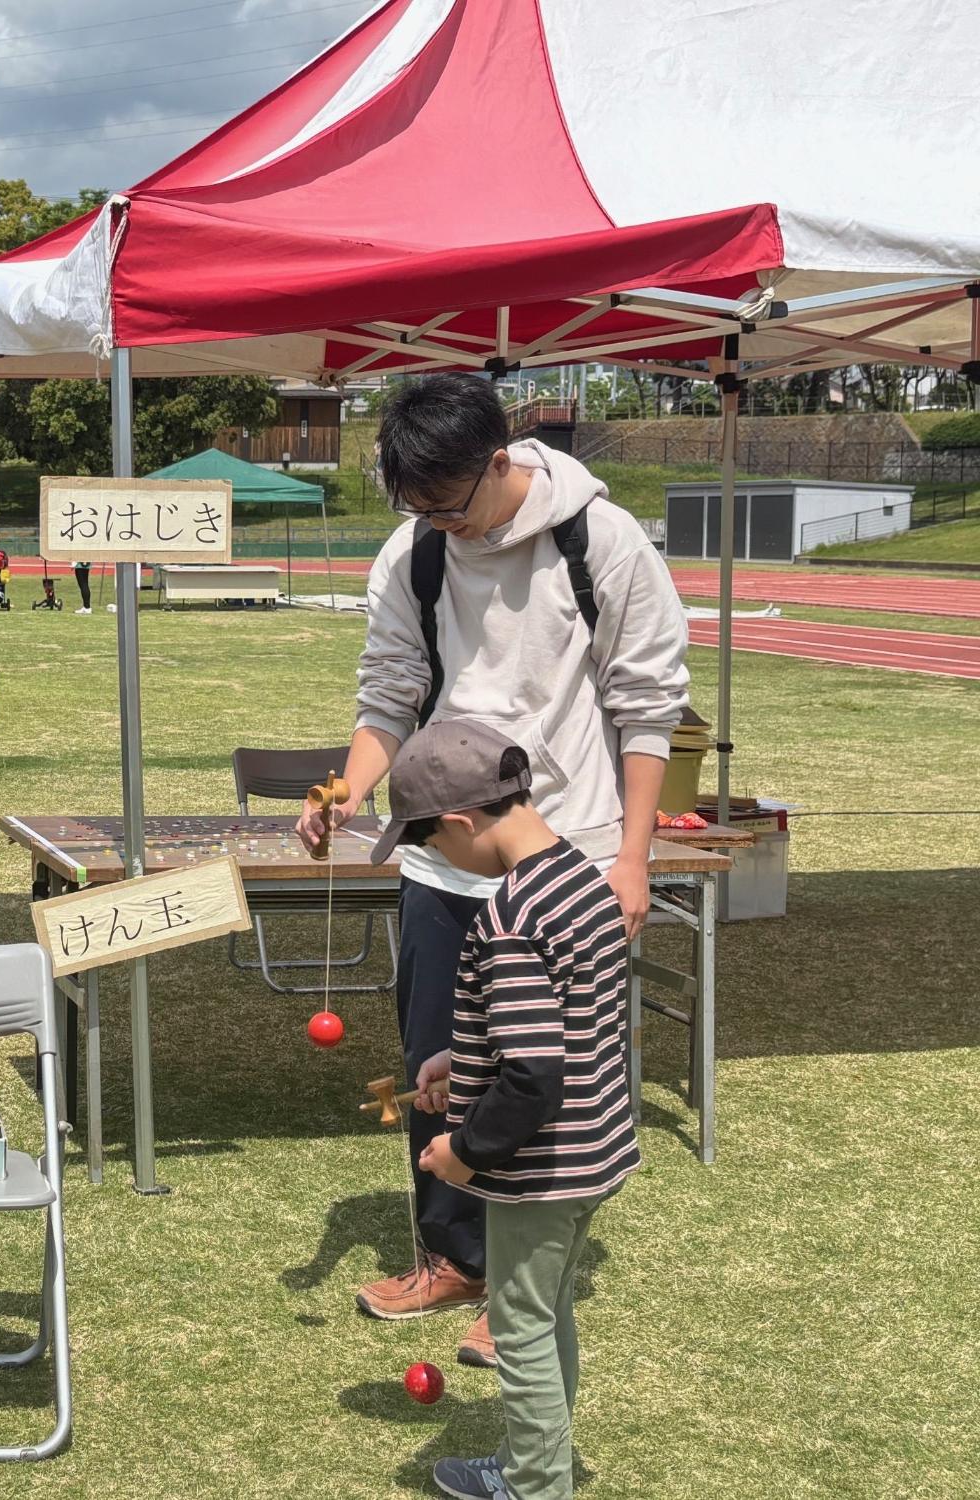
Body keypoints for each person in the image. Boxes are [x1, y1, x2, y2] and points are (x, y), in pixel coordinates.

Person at [297, 374, 684, 1369]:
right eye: (415, 507)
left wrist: (632, 858)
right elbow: (387, 694)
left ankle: (522, 1283)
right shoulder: (414, 551)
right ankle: (454, 1256)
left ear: (499, 458)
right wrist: (346, 787)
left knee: (542, 1075)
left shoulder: (601, 541)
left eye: (448, 504)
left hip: (572, 856)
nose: (438, 525)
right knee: (437, 1065)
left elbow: (646, 706)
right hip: (444, 854)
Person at [371, 720, 640, 1500]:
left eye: (429, 845)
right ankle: (538, 1466)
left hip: (541, 1170)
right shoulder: (581, 879)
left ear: (460, 824)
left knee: (519, 1329)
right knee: (548, 1313)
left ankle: (534, 1486)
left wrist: (465, 1152)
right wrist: (461, 1061)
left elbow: (529, 1078)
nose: (438, 862)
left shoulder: (509, 919)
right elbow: (568, 1018)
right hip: (596, 1151)